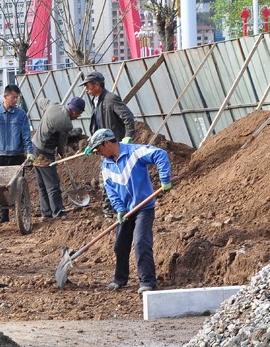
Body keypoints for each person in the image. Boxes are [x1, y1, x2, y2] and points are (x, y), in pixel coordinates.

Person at [86, 128, 172, 294]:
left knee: (141, 243)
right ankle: (120, 279)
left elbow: (160, 154)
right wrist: (119, 208)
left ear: (107, 143)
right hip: (126, 211)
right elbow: (110, 190)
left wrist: (165, 179)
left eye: (98, 149)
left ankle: (147, 281)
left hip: (144, 208)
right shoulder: (106, 165)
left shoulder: (134, 152)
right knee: (120, 245)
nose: (99, 153)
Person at [80, 71, 136, 217]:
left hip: (115, 147)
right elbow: (97, 126)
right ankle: (110, 210)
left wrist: (128, 136)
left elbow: (128, 117)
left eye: (88, 86)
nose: (86, 90)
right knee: (106, 179)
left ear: (97, 85)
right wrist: (91, 144)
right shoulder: (96, 101)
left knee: (115, 178)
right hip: (103, 147)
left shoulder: (111, 99)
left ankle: (119, 208)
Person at [0, 85, 35, 225]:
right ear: (5, 97)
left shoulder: (21, 115)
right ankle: (3, 215)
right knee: (2, 187)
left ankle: (21, 214)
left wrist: (30, 152)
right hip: (1, 155)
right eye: (13, 97)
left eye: (17, 97)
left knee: (18, 185)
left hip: (17, 155)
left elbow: (26, 135)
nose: (16, 100)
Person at [32, 97, 86, 219]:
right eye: (79, 114)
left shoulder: (53, 105)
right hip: (45, 151)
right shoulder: (66, 123)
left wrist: (46, 116)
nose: (78, 117)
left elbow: (41, 101)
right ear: (74, 111)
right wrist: (62, 153)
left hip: (35, 146)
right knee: (53, 183)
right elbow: (62, 141)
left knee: (42, 183)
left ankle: (46, 213)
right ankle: (58, 212)